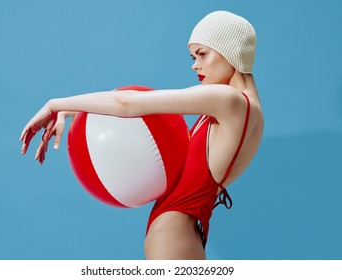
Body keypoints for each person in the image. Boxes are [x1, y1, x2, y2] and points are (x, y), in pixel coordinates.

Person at [20, 11, 264, 260]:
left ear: (231, 51)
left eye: (202, 54)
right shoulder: (248, 109)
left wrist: (55, 104)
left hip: (172, 238)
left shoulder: (228, 100)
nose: (195, 64)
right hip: (182, 236)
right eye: (193, 56)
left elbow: (129, 104)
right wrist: (74, 111)